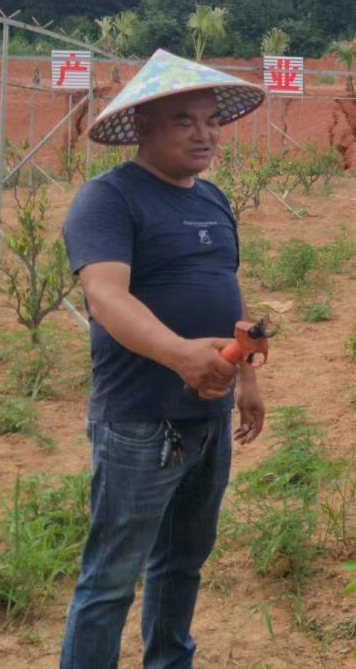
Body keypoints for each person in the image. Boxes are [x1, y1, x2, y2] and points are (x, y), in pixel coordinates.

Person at [59, 49, 268, 669]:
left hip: (207, 416)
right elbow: (105, 296)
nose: (204, 133)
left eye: (211, 120)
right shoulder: (108, 199)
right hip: (141, 420)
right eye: (184, 120)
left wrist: (248, 376)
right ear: (144, 126)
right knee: (110, 580)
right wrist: (180, 356)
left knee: (182, 563)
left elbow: (227, 294)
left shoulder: (213, 200)